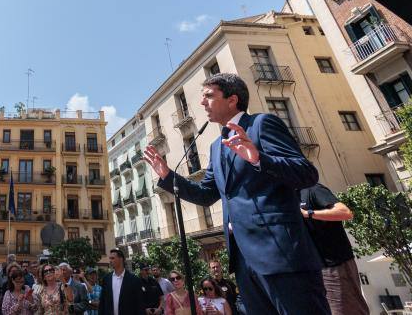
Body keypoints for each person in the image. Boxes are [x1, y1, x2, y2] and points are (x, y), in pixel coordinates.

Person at [144, 73, 329, 315]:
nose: (202, 102)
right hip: (243, 262)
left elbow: (306, 173)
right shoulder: (216, 146)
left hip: (282, 255)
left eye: (209, 96)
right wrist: (168, 176)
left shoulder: (262, 124)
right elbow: (206, 194)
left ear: (232, 100)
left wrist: (259, 158)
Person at [299, 182, 370, 315]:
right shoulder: (289, 196)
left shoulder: (313, 189)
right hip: (313, 268)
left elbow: (345, 212)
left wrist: (309, 213)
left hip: (335, 264)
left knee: (345, 311)